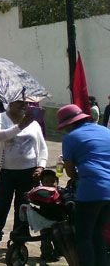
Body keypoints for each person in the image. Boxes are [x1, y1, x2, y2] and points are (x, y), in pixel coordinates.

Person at [0, 100, 48, 248]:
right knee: (2, 205)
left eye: (26, 103)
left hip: (28, 173)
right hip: (6, 172)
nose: (24, 106)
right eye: (20, 103)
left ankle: (19, 237)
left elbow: (42, 148)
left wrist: (41, 166)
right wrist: (21, 126)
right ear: (9, 103)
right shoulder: (0, 118)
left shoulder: (33, 123)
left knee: (23, 207)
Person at [57, 104, 110, 266]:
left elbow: (70, 172)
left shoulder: (70, 138)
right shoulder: (106, 131)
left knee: (83, 236)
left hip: (91, 191)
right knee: (97, 234)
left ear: (69, 124)